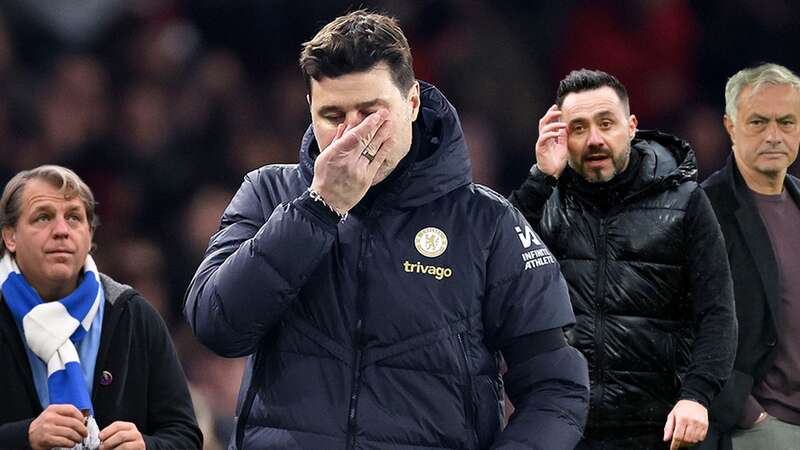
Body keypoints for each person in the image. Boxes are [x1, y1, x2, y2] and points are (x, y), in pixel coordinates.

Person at [185, 10, 589, 450]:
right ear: (309, 110)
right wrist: (319, 209)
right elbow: (216, 326)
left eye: (369, 111)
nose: (352, 133)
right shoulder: (268, 195)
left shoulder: (487, 223)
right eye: (332, 115)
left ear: (413, 102)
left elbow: (556, 390)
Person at [508, 69, 737, 449]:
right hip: (563, 425)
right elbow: (494, 271)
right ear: (561, 134)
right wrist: (539, 179)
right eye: (578, 128)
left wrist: (696, 396)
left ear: (631, 126)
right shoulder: (544, 198)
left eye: (606, 123)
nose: (594, 139)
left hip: (658, 427)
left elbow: (717, 312)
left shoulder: (686, 202)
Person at [0, 165, 202, 450]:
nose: (61, 231)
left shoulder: (133, 315)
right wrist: (25, 437)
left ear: (89, 235)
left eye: (74, 218)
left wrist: (147, 446)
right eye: (42, 217)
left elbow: (186, 437)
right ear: (10, 237)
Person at [699, 63, 800, 450]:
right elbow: (683, 327)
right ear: (730, 127)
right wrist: (751, 415)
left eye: (786, 122)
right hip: (753, 431)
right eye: (758, 122)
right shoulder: (705, 211)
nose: (773, 135)